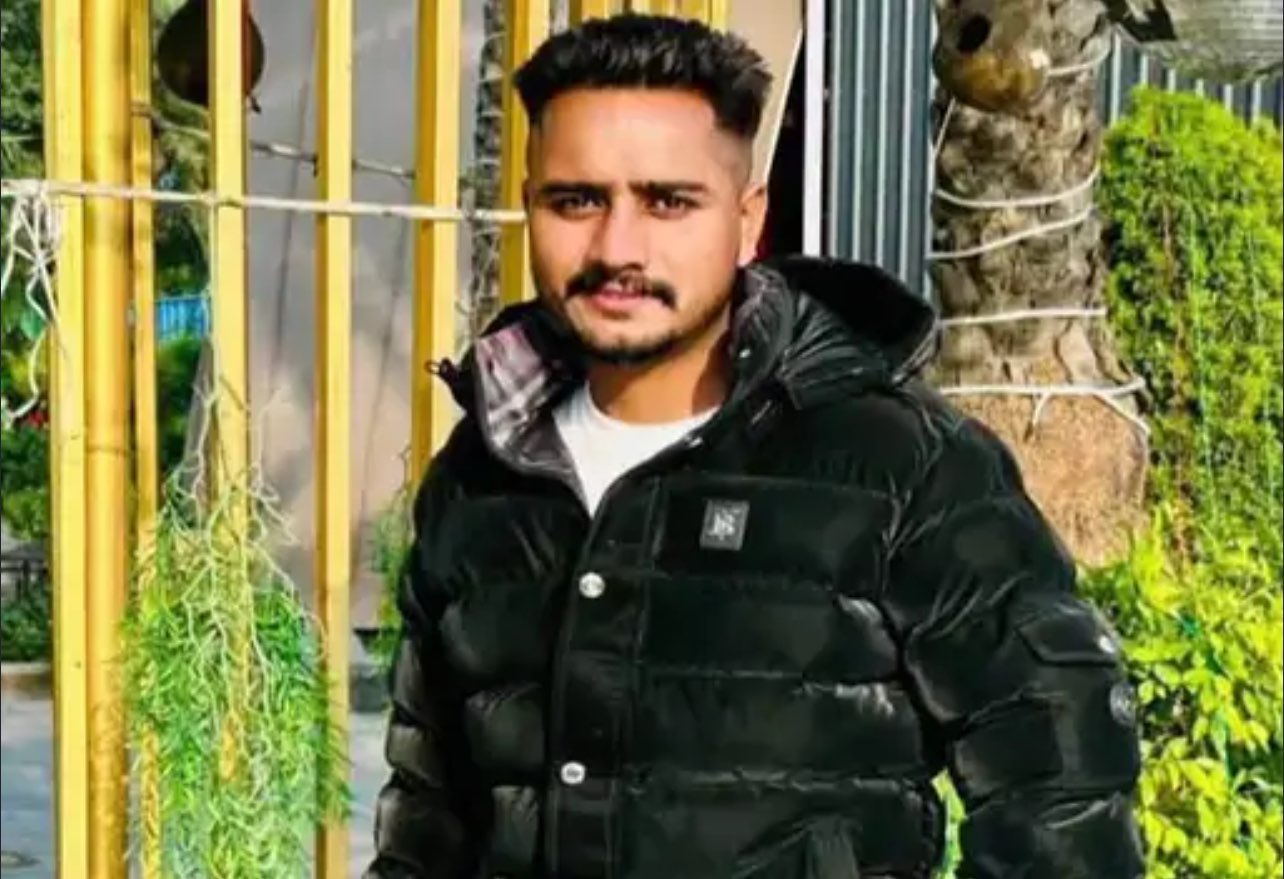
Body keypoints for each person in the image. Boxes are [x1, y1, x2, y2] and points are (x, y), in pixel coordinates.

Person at [366, 13, 1144, 879]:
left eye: (668, 201)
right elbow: (425, 824)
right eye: (576, 200)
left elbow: (1063, 787)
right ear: (529, 205)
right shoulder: (481, 477)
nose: (617, 247)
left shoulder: (899, 464)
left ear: (747, 220)